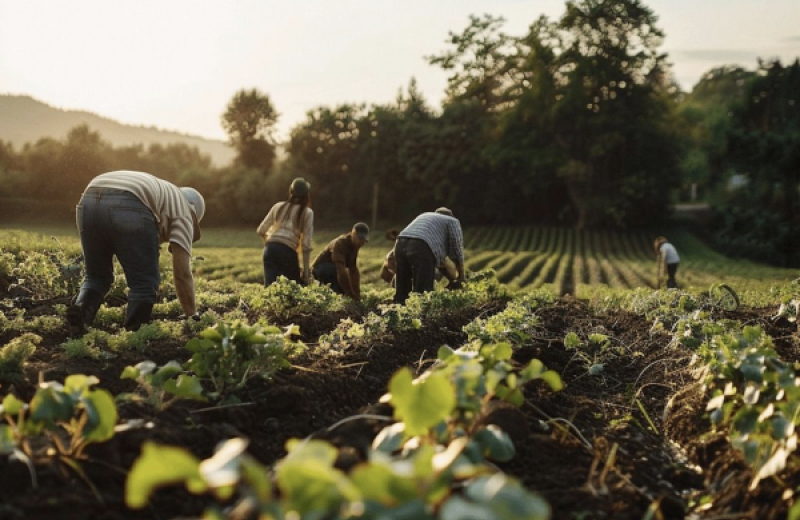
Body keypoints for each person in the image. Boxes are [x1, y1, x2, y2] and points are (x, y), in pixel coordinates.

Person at [67, 170, 205, 334]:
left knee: (97, 277)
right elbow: (182, 273)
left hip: (89, 198)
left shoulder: (165, 195)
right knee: (144, 283)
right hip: (130, 202)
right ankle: (134, 334)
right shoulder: (184, 211)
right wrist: (192, 315)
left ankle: (80, 314)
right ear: (194, 213)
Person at [393, 207, 466, 304]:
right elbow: (457, 250)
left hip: (400, 243)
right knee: (423, 292)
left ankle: (398, 312)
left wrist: (451, 279)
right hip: (421, 245)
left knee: (402, 290)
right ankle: (420, 316)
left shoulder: (425, 216)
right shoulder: (452, 221)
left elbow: (440, 263)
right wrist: (461, 277)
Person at [257, 177, 314, 286]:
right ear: (307, 195)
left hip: (270, 250)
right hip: (288, 252)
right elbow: (306, 246)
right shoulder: (307, 213)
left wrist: (271, 242)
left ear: (291, 192)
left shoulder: (278, 206)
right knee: (293, 289)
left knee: (270, 288)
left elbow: (261, 230)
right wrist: (306, 274)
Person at [312, 222, 369, 300]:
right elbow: (340, 271)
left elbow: (353, 271)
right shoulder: (340, 243)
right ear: (353, 234)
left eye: (363, 241)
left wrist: (357, 294)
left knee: (345, 280)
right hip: (320, 270)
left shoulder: (355, 246)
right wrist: (350, 294)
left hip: (333, 270)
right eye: (360, 239)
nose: (361, 243)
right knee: (339, 279)